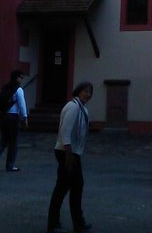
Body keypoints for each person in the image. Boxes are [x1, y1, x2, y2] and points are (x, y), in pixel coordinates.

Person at [47, 81, 94, 233]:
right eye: (85, 91)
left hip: (73, 152)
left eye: (89, 92)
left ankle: (77, 222)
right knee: (63, 187)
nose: (88, 94)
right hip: (67, 152)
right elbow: (65, 131)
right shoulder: (73, 107)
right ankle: (54, 224)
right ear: (78, 91)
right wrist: (68, 156)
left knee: (75, 186)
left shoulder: (81, 108)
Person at [0, 69, 27, 171]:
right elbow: (22, 105)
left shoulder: (4, 87)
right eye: (21, 77)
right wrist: (24, 118)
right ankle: (10, 165)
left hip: (3, 116)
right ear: (17, 78)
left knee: (4, 139)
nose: (22, 79)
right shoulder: (18, 89)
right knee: (13, 142)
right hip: (13, 117)